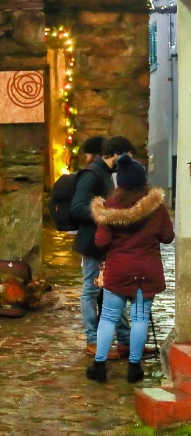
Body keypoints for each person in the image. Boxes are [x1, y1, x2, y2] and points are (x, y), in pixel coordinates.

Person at [86, 154, 174, 383]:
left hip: (118, 271)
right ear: (143, 181)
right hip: (146, 270)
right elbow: (167, 236)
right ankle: (134, 368)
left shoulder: (109, 208)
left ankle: (99, 366)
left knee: (108, 318)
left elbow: (102, 242)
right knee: (140, 317)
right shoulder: (157, 207)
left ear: (120, 183)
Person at [70, 136, 136, 358]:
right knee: (91, 290)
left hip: (107, 243)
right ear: (117, 154)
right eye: (128, 157)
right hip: (92, 243)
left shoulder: (107, 175)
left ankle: (125, 341)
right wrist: (110, 215)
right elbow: (78, 207)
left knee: (115, 289)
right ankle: (93, 341)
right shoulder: (92, 174)